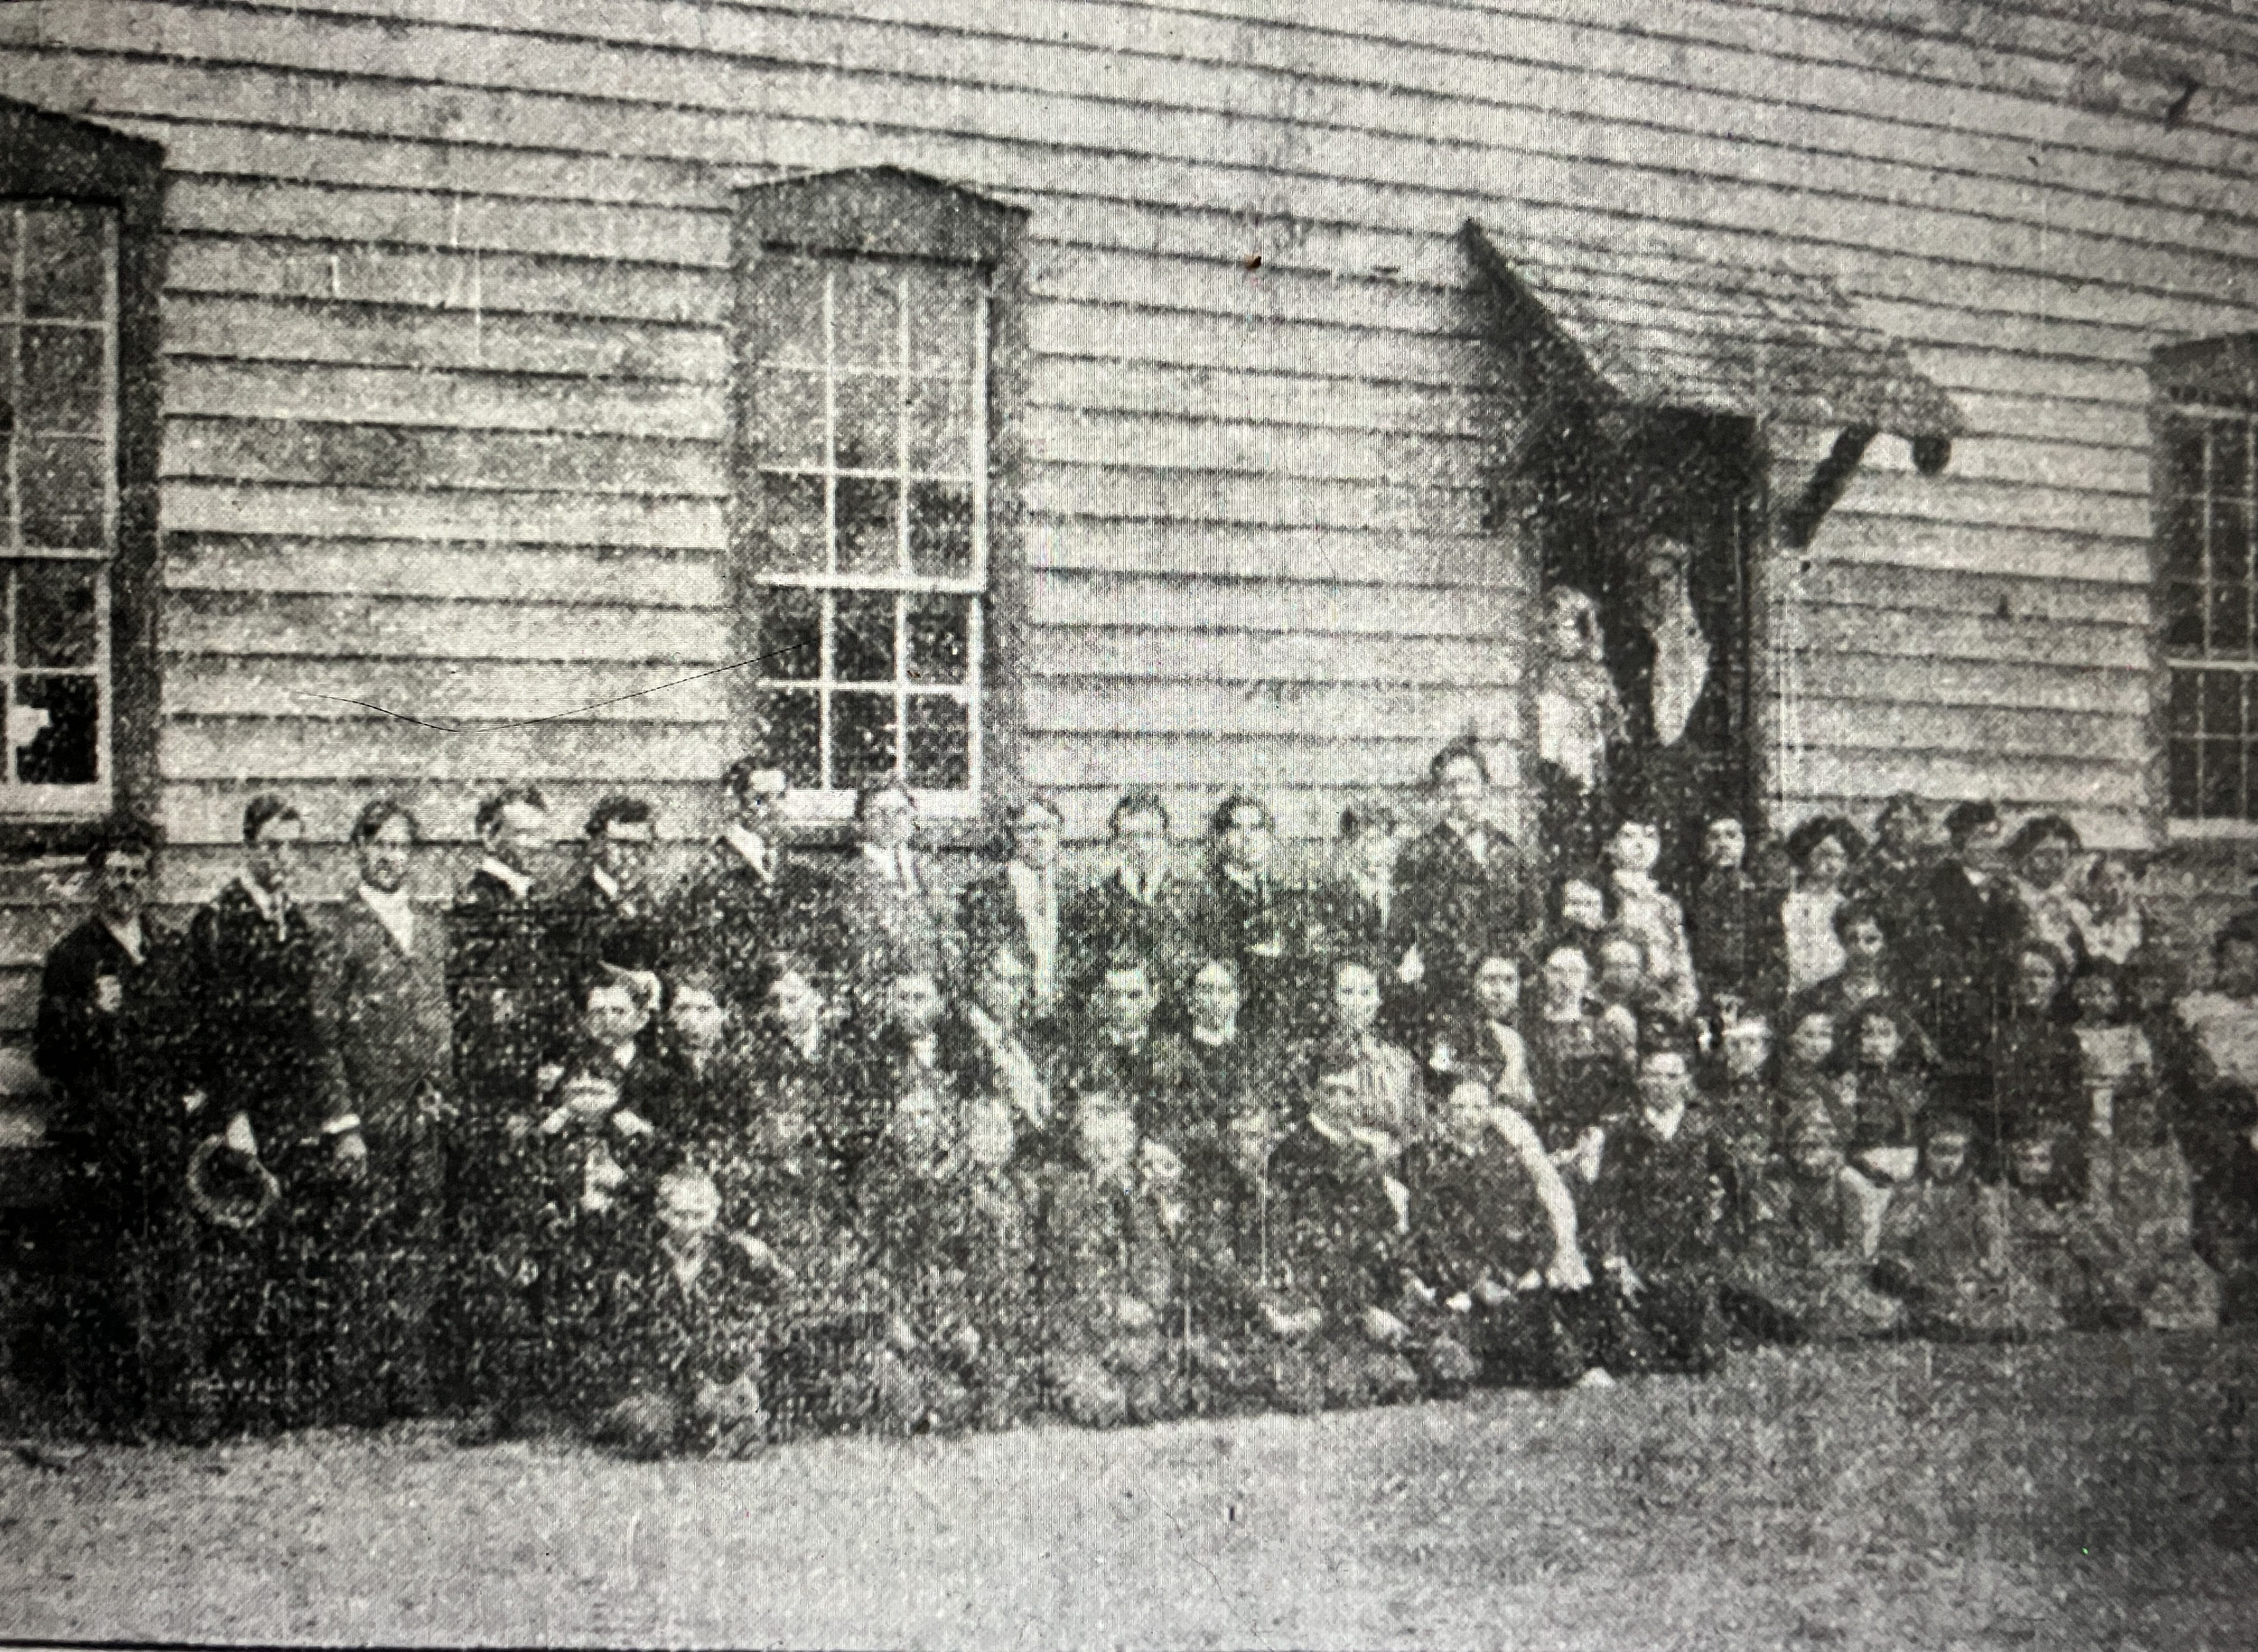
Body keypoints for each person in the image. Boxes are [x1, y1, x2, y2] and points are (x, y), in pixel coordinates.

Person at [174, 795, 325, 1435]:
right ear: (247, 847)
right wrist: (231, 1112)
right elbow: (211, 1028)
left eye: (292, 846)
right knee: (231, 1251)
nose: (282, 858)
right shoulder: (217, 923)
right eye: (270, 845)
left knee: (281, 1246)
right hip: (239, 1114)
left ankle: (271, 1396)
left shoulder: (298, 923)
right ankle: (225, 1395)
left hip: (288, 1110)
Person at [308, 799, 454, 1426]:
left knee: (419, 1248)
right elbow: (323, 1036)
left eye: (402, 846)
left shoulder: (431, 926)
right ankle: (360, 1388)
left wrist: (443, 1091)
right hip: (368, 1121)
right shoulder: (337, 930)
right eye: (381, 845)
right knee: (364, 1248)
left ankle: (410, 1381)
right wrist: (343, 1125)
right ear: (359, 851)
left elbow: (442, 1017)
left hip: (423, 1118)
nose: (392, 857)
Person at [32, 823, 180, 1435]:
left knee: (164, 1270)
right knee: (108, 1277)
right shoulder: (73, 957)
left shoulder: (166, 948)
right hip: (103, 1137)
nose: (127, 883)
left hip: (161, 1132)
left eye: (137, 872)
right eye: (116, 872)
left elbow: (187, 1031)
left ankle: (164, 1405)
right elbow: (48, 1052)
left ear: (149, 880)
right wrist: (94, 1016)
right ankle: (110, 1408)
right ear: (99, 879)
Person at [1397, 1078, 1598, 1388]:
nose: (1470, 1115)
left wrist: (1538, 1264)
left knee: (1541, 1308)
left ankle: (1567, 1368)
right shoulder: (1427, 1159)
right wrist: (1476, 1280)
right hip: (1462, 1275)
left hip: (1515, 1267)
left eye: (1479, 1107)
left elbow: (1534, 1212)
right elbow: (1434, 1231)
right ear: (1444, 1113)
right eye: (1460, 1108)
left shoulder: (1502, 1151)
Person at [580, 1166, 777, 1459]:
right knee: (650, 1428)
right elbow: (636, 1331)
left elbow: (759, 1306)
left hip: (713, 1374)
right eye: (680, 1215)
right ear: (662, 1213)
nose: (689, 1225)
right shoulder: (641, 1261)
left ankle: (714, 1431)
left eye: (699, 1216)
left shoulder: (729, 1259)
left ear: (713, 1215)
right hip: (654, 1380)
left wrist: (767, 1260)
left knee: (743, 1414)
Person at [2072, 958, 2219, 1331]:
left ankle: (2162, 1310)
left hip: (2160, 1239)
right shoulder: (2106, 1153)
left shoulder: (2168, 1153)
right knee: (2113, 1271)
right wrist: (2125, 1241)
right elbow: (2100, 1203)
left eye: (2146, 1115)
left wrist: (2165, 1234)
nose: (2139, 1122)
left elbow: (2180, 1201)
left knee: (2192, 1283)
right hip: (2123, 1242)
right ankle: (2134, 1307)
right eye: (2131, 1115)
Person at [1028, 1083, 1184, 1426]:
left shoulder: (1137, 1198)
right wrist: (1114, 1306)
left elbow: (1154, 1257)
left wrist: (1150, 1302)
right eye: (1098, 1148)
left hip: (1133, 1330)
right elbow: (1078, 1272)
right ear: (1083, 1149)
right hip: (1080, 1332)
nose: (1107, 1156)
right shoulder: (1069, 1196)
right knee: (1105, 1407)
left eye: (1115, 1146)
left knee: (1156, 1402)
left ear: (1130, 1147)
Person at [1584, 1044, 1730, 1376]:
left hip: (1691, 1261)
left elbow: (1730, 1189)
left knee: (1706, 1361)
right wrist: (1616, 1261)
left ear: (1686, 1081)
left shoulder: (1705, 1130)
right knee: (1638, 1361)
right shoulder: (1622, 1132)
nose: (1661, 1083)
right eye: (1653, 1074)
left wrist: (1713, 1243)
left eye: (1671, 1075)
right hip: (1639, 1262)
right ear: (1639, 1081)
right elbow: (1605, 1203)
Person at [1392, 737, 1542, 1037]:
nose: (1460, 793)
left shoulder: (1507, 851)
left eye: (1468, 782)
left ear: (1484, 787)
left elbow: (1533, 919)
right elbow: (1406, 927)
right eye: (1450, 784)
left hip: (1502, 991)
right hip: (1448, 993)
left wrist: (1511, 965)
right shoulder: (1420, 854)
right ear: (1438, 794)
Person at [668, 757, 834, 1018]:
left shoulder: (800, 872)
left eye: (780, 798)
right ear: (735, 803)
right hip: (740, 1012)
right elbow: (699, 962)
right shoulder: (709, 875)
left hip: (800, 1008)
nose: (773, 809)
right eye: (761, 799)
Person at [1721, 1110, 1904, 1343]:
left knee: (1840, 1305)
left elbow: (1863, 1251)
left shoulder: (1850, 1185)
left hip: (1835, 1274)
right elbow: (1767, 1235)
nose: (1807, 1155)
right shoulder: (1781, 1179)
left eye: (1817, 1146)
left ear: (1835, 1147)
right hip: (1790, 1271)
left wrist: (1825, 1264)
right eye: (1800, 1146)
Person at [1870, 1114, 2052, 1341]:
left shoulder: (1980, 1196)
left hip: (1970, 1283)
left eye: (1955, 1152)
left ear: (1966, 1155)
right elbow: (1892, 1246)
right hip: (1922, 1283)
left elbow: (1994, 1246)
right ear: (1925, 1153)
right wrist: (1909, 1271)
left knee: (2007, 1302)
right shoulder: (1909, 1195)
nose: (1947, 1161)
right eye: (1939, 1151)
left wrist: (1982, 1274)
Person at [446, 783, 564, 1127]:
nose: (536, 844)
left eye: (541, 834)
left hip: (545, 1071)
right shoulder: (477, 905)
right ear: (489, 836)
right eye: (523, 833)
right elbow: (482, 1002)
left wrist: (557, 1057)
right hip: (497, 1078)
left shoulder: (537, 898)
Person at [2164, 912, 2258, 1323]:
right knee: (2220, 1216)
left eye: (2252, 962)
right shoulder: (2193, 1008)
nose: (2243, 970)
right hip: (2217, 1127)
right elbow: (2190, 1077)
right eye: (2233, 960)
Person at [1189, 792, 1306, 1041]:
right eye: (1237, 829)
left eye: (1256, 828)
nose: (1248, 838)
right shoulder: (1208, 898)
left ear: (1269, 836)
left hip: (1283, 1026)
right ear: (1222, 839)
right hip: (1232, 1029)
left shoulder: (1285, 899)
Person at [1061, 789, 1196, 1003]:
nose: (1141, 847)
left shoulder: (1191, 898)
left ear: (1166, 840)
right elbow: (1078, 976)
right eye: (1131, 836)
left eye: (1150, 836)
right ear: (1116, 843)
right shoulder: (1091, 903)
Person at [957, 795, 1069, 1035]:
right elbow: (977, 963)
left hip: (1063, 1019)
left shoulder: (1072, 890)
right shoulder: (986, 893)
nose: (1039, 839)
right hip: (1007, 1017)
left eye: (1047, 828)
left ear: (1059, 834)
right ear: (1013, 835)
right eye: (1029, 829)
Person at [832, 781, 944, 1010]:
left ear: (913, 819)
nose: (891, 820)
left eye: (900, 812)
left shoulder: (928, 870)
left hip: (933, 990)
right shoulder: (847, 877)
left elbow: (946, 927)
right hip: (878, 993)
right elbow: (857, 945)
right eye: (879, 814)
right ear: (860, 824)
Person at [1296, 959, 1425, 1151]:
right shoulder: (1313, 1060)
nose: (1357, 1002)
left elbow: (1416, 1129)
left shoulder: (1402, 1062)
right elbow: (1312, 1121)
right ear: (1332, 1001)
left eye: (1366, 993)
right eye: (1347, 992)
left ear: (1378, 1000)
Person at [1988, 941, 2085, 1193]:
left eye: (2042, 975)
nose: (2032, 983)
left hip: (2052, 1146)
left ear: (2058, 983)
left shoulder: (2068, 1037)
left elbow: (2074, 1099)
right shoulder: (1996, 1033)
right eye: (2025, 975)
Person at [551, 795, 669, 1000]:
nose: (631, 857)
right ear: (596, 845)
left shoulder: (650, 904)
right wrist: (629, 979)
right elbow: (573, 972)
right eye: (621, 845)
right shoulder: (574, 905)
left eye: (641, 846)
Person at [1601, 819, 1699, 1026]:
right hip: (1613, 1006)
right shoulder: (1602, 897)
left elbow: (1681, 962)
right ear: (1610, 845)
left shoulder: (1666, 906)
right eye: (1629, 836)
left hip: (1661, 1007)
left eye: (1650, 836)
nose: (1641, 844)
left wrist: (1682, 1003)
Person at [1686, 815, 1780, 1019]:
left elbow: (1774, 959)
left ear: (1745, 844)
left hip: (1751, 1005)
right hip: (1702, 1002)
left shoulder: (1762, 900)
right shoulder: (1692, 898)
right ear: (1703, 847)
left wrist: (1749, 998)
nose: (1723, 844)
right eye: (1714, 837)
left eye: (1731, 836)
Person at [1424, 954, 1538, 1114]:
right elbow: (1439, 1068)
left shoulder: (1525, 1035)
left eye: (1509, 981)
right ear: (1475, 986)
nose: (1499, 991)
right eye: (1490, 980)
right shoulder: (1453, 1028)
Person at [1778, 815, 1864, 1001]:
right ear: (1807, 852)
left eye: (1841, 858)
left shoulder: (1846, 907)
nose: (1833, 865)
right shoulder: (1786, 903)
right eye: (1825, 855)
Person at [1998, 814, 2089, 977]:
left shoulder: (2074, 905)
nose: (2051, 862)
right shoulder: (2009, 899)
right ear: (2024, 857)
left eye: (2059, 854)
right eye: (2042, 854)